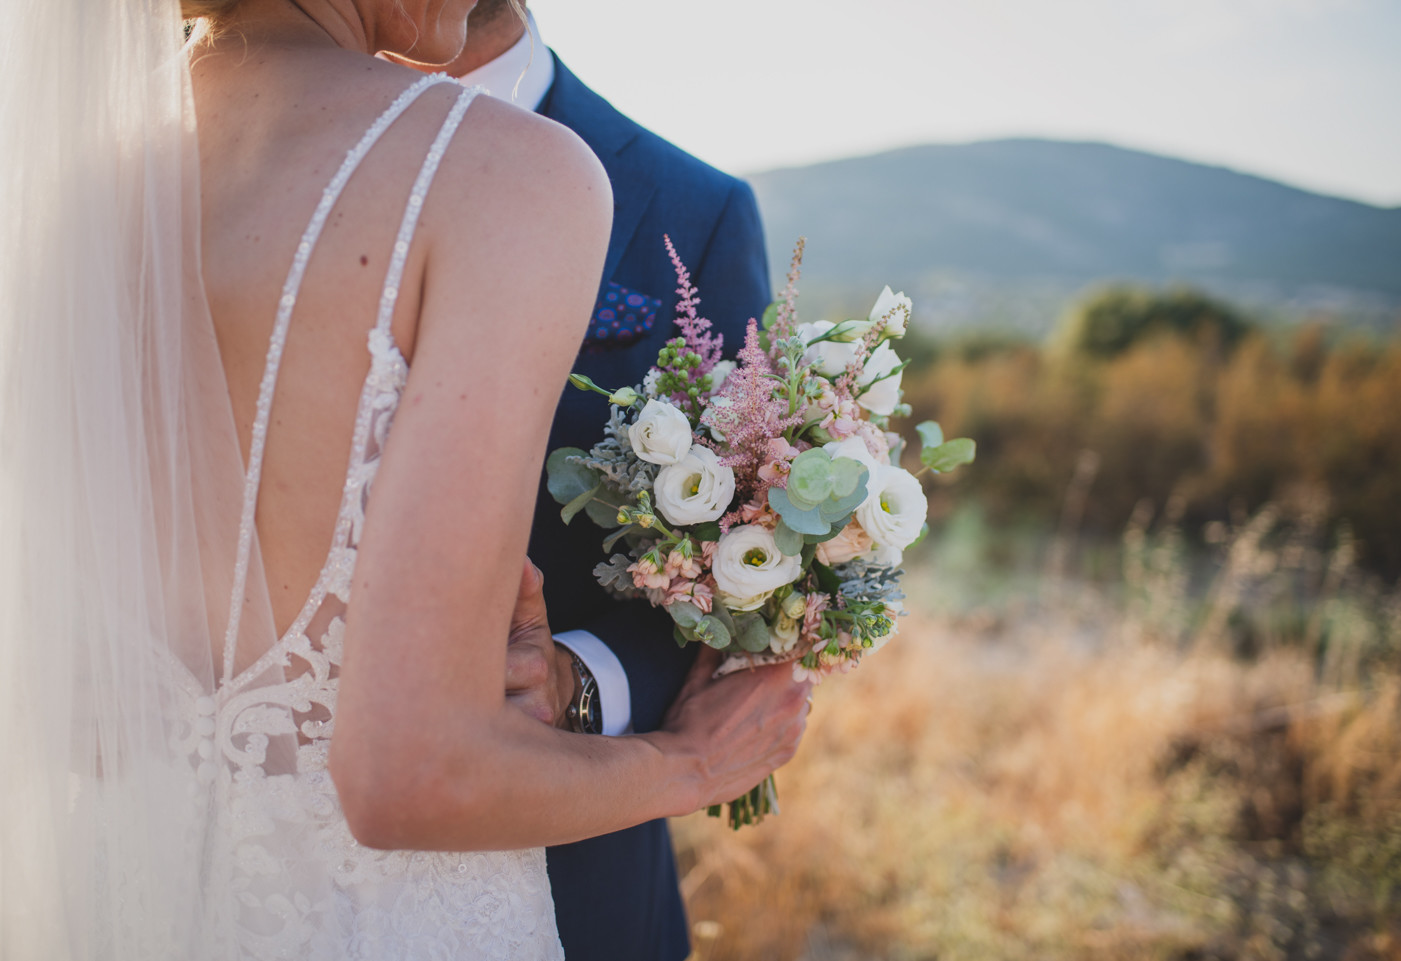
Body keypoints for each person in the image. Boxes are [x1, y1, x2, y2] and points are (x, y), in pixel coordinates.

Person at [0, 0, 809, 957]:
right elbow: (408, 774)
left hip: (119, 897)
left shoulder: (53, 181)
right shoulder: (512, 175)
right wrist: (691, 763)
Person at [416, 5, 773, 959]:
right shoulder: (220, 178)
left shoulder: (691, 211)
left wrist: (576, 686)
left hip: (575, 867)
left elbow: (748, 569)